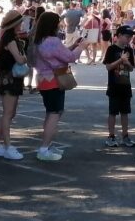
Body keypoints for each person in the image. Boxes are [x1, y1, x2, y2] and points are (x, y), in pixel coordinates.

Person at [33, 12, 88, 161]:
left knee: (51, 113)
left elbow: (61, 53)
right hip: (54, 80)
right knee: (54, 113)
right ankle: (44, 148)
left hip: (43, 80)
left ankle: (47, 145)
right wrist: (81, 47)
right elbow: (69, 57)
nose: (60, 24)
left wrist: (73, 45)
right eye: (57, 22)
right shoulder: (53, 41)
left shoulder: (40, 40)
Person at [0, 10, 27, 160]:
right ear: (15, 23)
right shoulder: (10, 38)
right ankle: (7, 146)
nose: (22, 24)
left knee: (8, 113)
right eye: (20, 21)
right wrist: (23, 58)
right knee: (8, 113)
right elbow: (19, 59)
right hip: (9, 78)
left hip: (9, 78)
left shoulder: (8, 36)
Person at [103, 25, 135, 148]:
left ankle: (125, 136)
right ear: (118, 36)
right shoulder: (111, 49)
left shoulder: (129, 50)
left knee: (125, 112)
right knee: (113, 112)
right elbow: (108, 67)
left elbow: (132, 68)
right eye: (127, 36)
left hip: (125, 85)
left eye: (130, 37)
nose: (129, 39)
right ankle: (111, 136)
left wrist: (127, 62)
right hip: (114, 85)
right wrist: (120, 60)